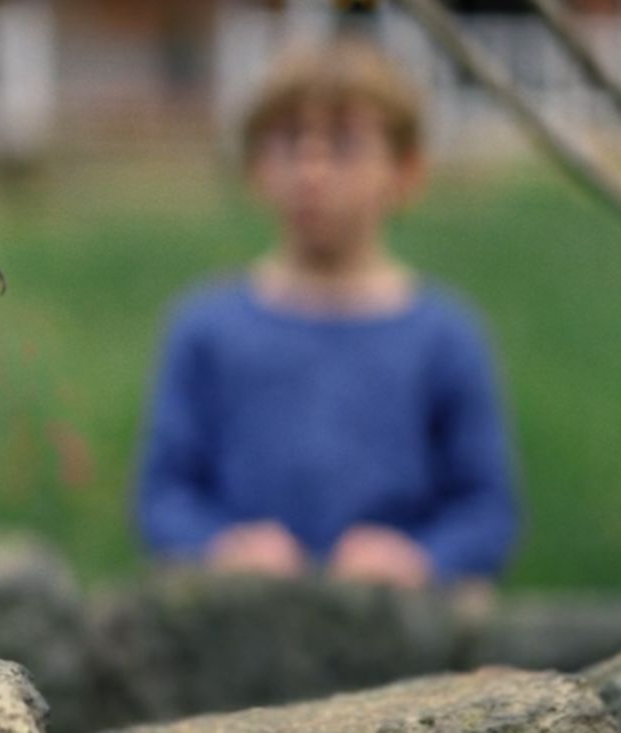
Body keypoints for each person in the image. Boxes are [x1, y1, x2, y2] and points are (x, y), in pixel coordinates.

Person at [135, 37, 519, 588]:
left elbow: (487, 514)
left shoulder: (445, 337)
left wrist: (420, 559)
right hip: (239, 628)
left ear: (405, 170)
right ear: (255, 166)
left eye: (343, 145)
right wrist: (218, 547)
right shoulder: (205, 329)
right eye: (291, 141)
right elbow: (162, 500)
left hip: (404, 642)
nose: (311, 169)